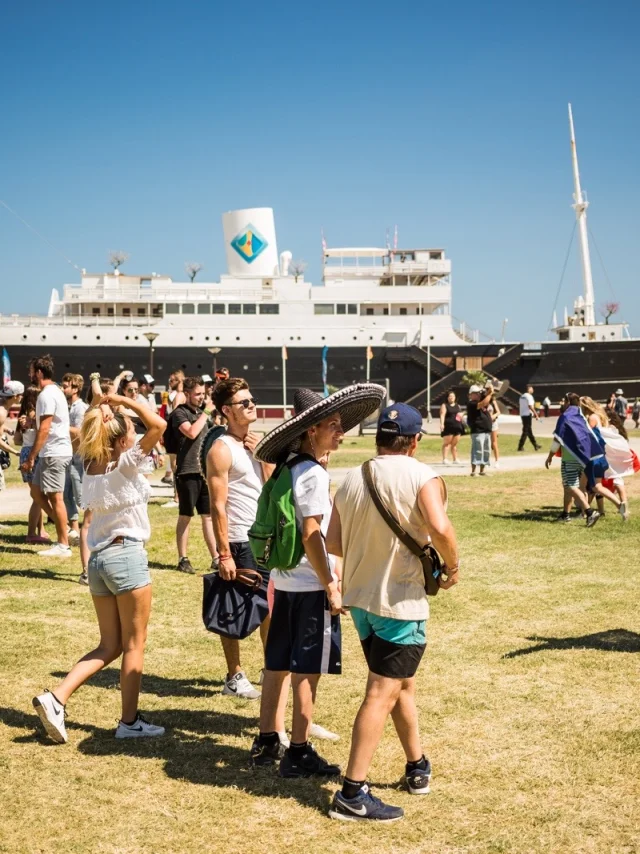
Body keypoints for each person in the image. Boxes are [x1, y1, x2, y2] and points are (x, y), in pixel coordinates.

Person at [325, 402, 459, 822]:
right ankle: (352, 792)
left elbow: (333, 540)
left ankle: (417, 766)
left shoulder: (352, 477)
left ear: (379, 438)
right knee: (382, 692)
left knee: (402, 684)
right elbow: (439, 527)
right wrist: (451, 567)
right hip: (400, 601)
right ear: (415, 440)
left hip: (362, 599)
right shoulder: (423, 475)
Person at [249, 383, 385, 779]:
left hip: (285, 582)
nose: (340, 432)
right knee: (307, 670)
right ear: (311, 431)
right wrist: (331, 583)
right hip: (309, 585)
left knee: (277, 663)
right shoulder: (310, 473)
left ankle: (267, 739)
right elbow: (311, 532)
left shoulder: (288, 466)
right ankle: (299, 750)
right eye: (333, 424)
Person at [32, 389, 167, 743]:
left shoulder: (90, 468)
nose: (137, 434)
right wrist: (125, 402)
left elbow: (94, 426)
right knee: (134, 644)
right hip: (126, 555)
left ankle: (57, 698)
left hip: (100, 562)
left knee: (109, 645)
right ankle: (129, 721)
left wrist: (103, 408)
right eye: (131, 432)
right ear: (122, 439)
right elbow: (159, 423)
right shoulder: (124, 463)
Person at [207, 377, 271, 699]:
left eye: (251, 399)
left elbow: (269, 488)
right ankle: (234, 675)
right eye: (243, 403)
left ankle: (269, 668)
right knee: (232, 608)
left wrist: (263, 454)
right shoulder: (220, 449)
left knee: (269, 608)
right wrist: (224, 554)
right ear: (226, 411)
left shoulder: (255, 445)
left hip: (262, 538)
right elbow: (217, 506)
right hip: (238, 539)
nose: (251, 405)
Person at [20, 355, 73, 557]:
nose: (29, 374)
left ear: (39, 373)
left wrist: (31, 456)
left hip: (53, 452)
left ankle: (63, 544)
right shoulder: (54, 392)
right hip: (52, 451)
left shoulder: (46, 395)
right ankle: (65, 529)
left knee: (56, 498)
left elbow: (45, 428)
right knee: (35, 492)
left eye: (31, 371)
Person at [172, 376, 218, 573]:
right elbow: (191, 432)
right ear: (187, 394)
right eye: (198, 394)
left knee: (208, 516)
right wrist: (206, 411)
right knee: (185, 516)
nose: (201, 397)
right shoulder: (179, 413)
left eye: (203, 394)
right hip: (187, 471)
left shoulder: (202, 413)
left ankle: (215, 557)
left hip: (204, 472)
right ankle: (183, 558)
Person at [544, 393, 601, 527]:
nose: (562, 403)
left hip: (569, 458)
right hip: (582, 458)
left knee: (571, 486)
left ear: (568, 402)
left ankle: (589, 512)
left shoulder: (565, 417)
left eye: (563, 400)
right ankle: (566, 514)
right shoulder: (580, 416)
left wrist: (550, 455)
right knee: (567, 486)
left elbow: (558, 437)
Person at [579, 396, 628, 521]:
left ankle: (586, 512)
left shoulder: (591, 418)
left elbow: (586, 435)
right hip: (600, 455)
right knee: (590, 485)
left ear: (584, 406)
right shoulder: (600, 416)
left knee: (591, 486)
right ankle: (587, 511)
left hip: (593, 456)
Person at [14, 385, 48, 543]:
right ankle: (31, 533)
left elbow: (17, 440)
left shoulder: (21, 415)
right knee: (38, 496)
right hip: (35, 453)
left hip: (24, 452)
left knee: (37, 494)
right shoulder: (36, 415)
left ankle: (40, 529)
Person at [62, 373, 88, 550]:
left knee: (80, 498)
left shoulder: (80, 408)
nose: (63, 389)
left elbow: (79, 432)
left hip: (79, 459)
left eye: (66, 386)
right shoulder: (68, 406)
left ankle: (91, 529)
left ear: (76, 388)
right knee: (66, 495)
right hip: (68, 457)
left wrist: (59, 425)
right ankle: (75, 530)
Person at [161, 370, 186, 490]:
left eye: (172, 380)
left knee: (175, 464)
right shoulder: (180, 394)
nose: (170, 382)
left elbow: (175, 413)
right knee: (175, 464)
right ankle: (178, 494)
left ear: (179, 380)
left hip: (174, 432)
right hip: (176, 431)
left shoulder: (179, 395)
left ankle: (177, 496)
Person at [0, 381, 25, 494]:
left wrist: (7, 430)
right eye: (21, 394)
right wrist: (15, 452)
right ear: (15, 396)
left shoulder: (2, 406)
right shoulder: (2, 412)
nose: (22, 397)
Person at [466, 384, 492, 476]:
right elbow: (484, 403)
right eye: (475, 393)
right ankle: (473, 471)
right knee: (477, 450)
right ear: (470, 395)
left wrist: (489, 391)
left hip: (486, 430)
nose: (478, 395)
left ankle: (482, 471)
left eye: (478, 393)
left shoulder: (481, 401)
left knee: (486, 451)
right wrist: (490, 393)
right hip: (478, 431)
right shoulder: (471, 403)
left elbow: (488, 400)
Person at [439, 391, 464, 465]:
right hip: (448, 426)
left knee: (454, 444)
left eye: (453, 396)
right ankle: (445, 459)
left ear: (455, 397)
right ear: (447, 397)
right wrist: (442, 424)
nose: (451, 397)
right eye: (450, 396)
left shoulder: (458, 406)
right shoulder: (444, 405)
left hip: (457, 426)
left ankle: (455, 458)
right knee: (447, 443)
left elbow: (460, 415)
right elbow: (442, 415)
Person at [518, 385, 541, 451]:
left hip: (523, 415)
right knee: (526, 431)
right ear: (529, 389)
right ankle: (520, 446)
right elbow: (530, 406)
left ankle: (535, 445)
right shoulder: (529, 396)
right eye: (532, 389)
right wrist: (536, 415)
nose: (533, 390)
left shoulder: (522, 396)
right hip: (527, 415)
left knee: (528, 431)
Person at [486, 383, 501, 468]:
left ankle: (497, 461)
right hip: (485, 424)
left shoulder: (493, 401)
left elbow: (498, 412)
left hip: (493, 423)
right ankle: (486, 460)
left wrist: (493, 416)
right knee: (486, 443)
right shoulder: (483, 400)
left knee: (494, 443)